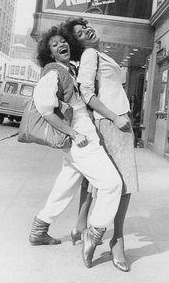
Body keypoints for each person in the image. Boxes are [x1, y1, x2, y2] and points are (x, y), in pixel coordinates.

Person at [29, 26, 123, 269]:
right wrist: (73, 133)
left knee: (65, 185)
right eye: (54, 45)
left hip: (81, 133)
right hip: (80, 136)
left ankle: (40, 229)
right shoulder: (53, 72)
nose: (61, 45)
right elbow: (44, 109)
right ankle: (94, 232)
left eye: (63, 41)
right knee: (112, 184)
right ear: (49, 54)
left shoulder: (68, 68)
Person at [63, 17, 139, 272]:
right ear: (78, 43)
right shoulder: (89, 55)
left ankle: (91, 231)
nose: (86, 31)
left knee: (111, 184)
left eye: (86, 27)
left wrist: (123, 117)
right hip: (110, 123)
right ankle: (110, 239)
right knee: (117, 185)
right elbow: (86, 92)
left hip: (120, 122)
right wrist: (115, 117)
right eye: (80, 33)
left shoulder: (99, 54)